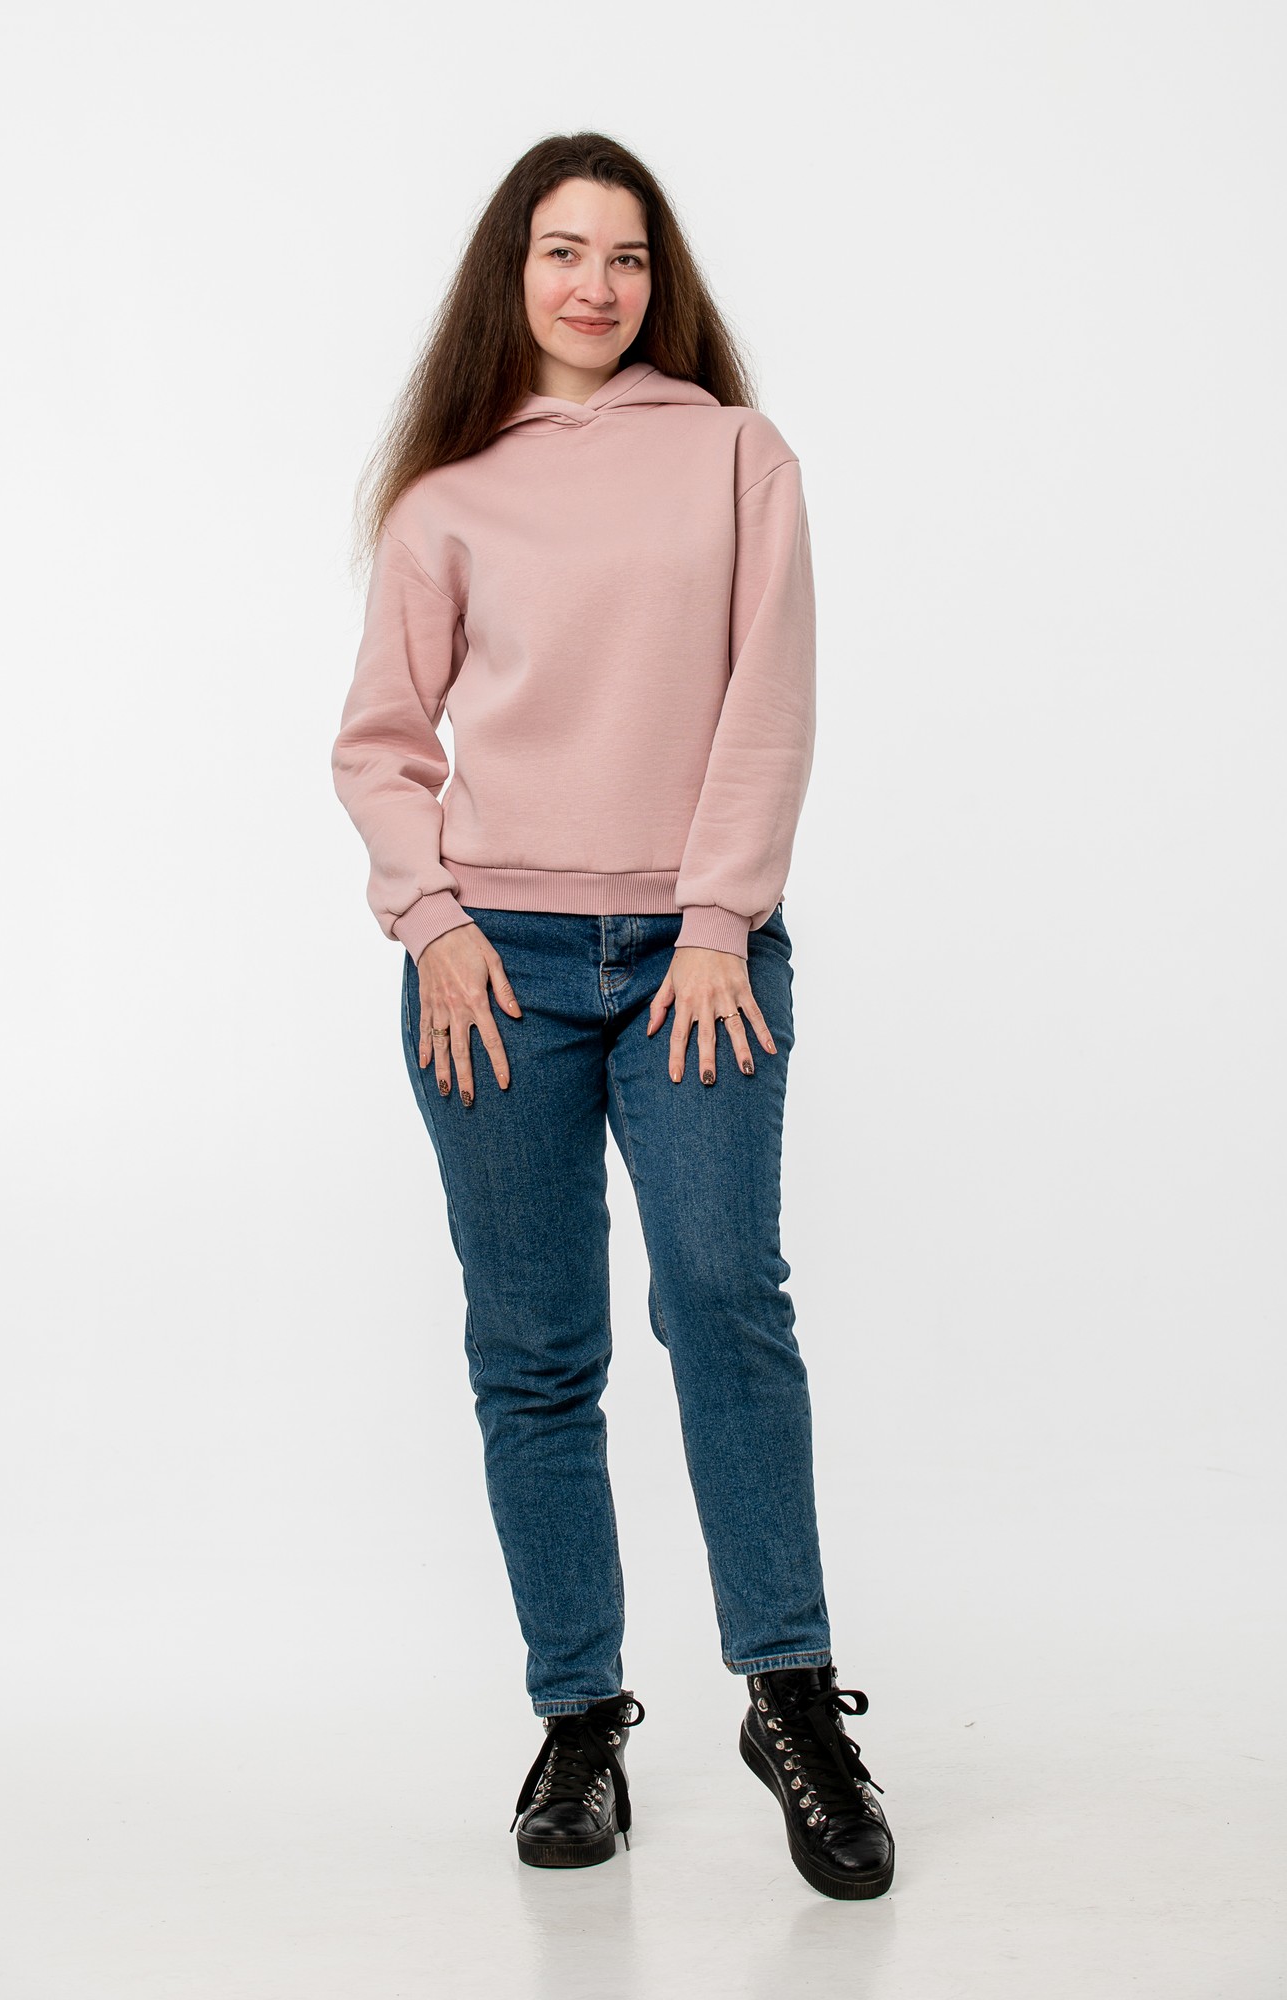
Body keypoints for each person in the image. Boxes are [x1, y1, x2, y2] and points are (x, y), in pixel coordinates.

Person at [330, 131, 895, 1902]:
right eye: (565, 252)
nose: (598, 285)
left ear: (664, 282)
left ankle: (789, 1700)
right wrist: (431, 921)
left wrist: (718, 918)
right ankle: (579, 1721)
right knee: (534, 1350)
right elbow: (381, 744)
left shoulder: (735, 456)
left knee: (724, 1298)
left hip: (692, 959)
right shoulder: (447, 497)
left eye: (629, 257)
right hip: (491, 964)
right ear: (512, 274)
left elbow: (770, 699)